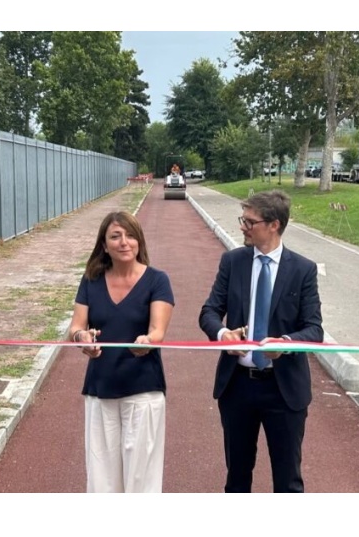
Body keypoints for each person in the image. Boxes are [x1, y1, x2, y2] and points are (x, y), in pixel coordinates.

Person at [199, 190, 323, 493]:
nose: (243, 226)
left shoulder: (302, 270)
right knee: (237, 477)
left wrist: (286, 342)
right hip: (238, 386)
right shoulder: (233, 262)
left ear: (274, 225)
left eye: (250, 221)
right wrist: (222, 335)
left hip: (284, 390)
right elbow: (209, 311)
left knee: (288, 480)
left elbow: (314, 330)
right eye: (243, 219)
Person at [67, 211, 175, 493]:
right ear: (104, 245)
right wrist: (83, 338)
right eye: (115, 236)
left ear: (139, 241)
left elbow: (157, 332)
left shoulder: (157, 280)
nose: (124, 242)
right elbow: (75, 328)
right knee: (101, 479)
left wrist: (147, 341)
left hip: (143, 391)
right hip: (100, 389)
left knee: (141, 481)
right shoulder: (91, 280)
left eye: (130, 235)